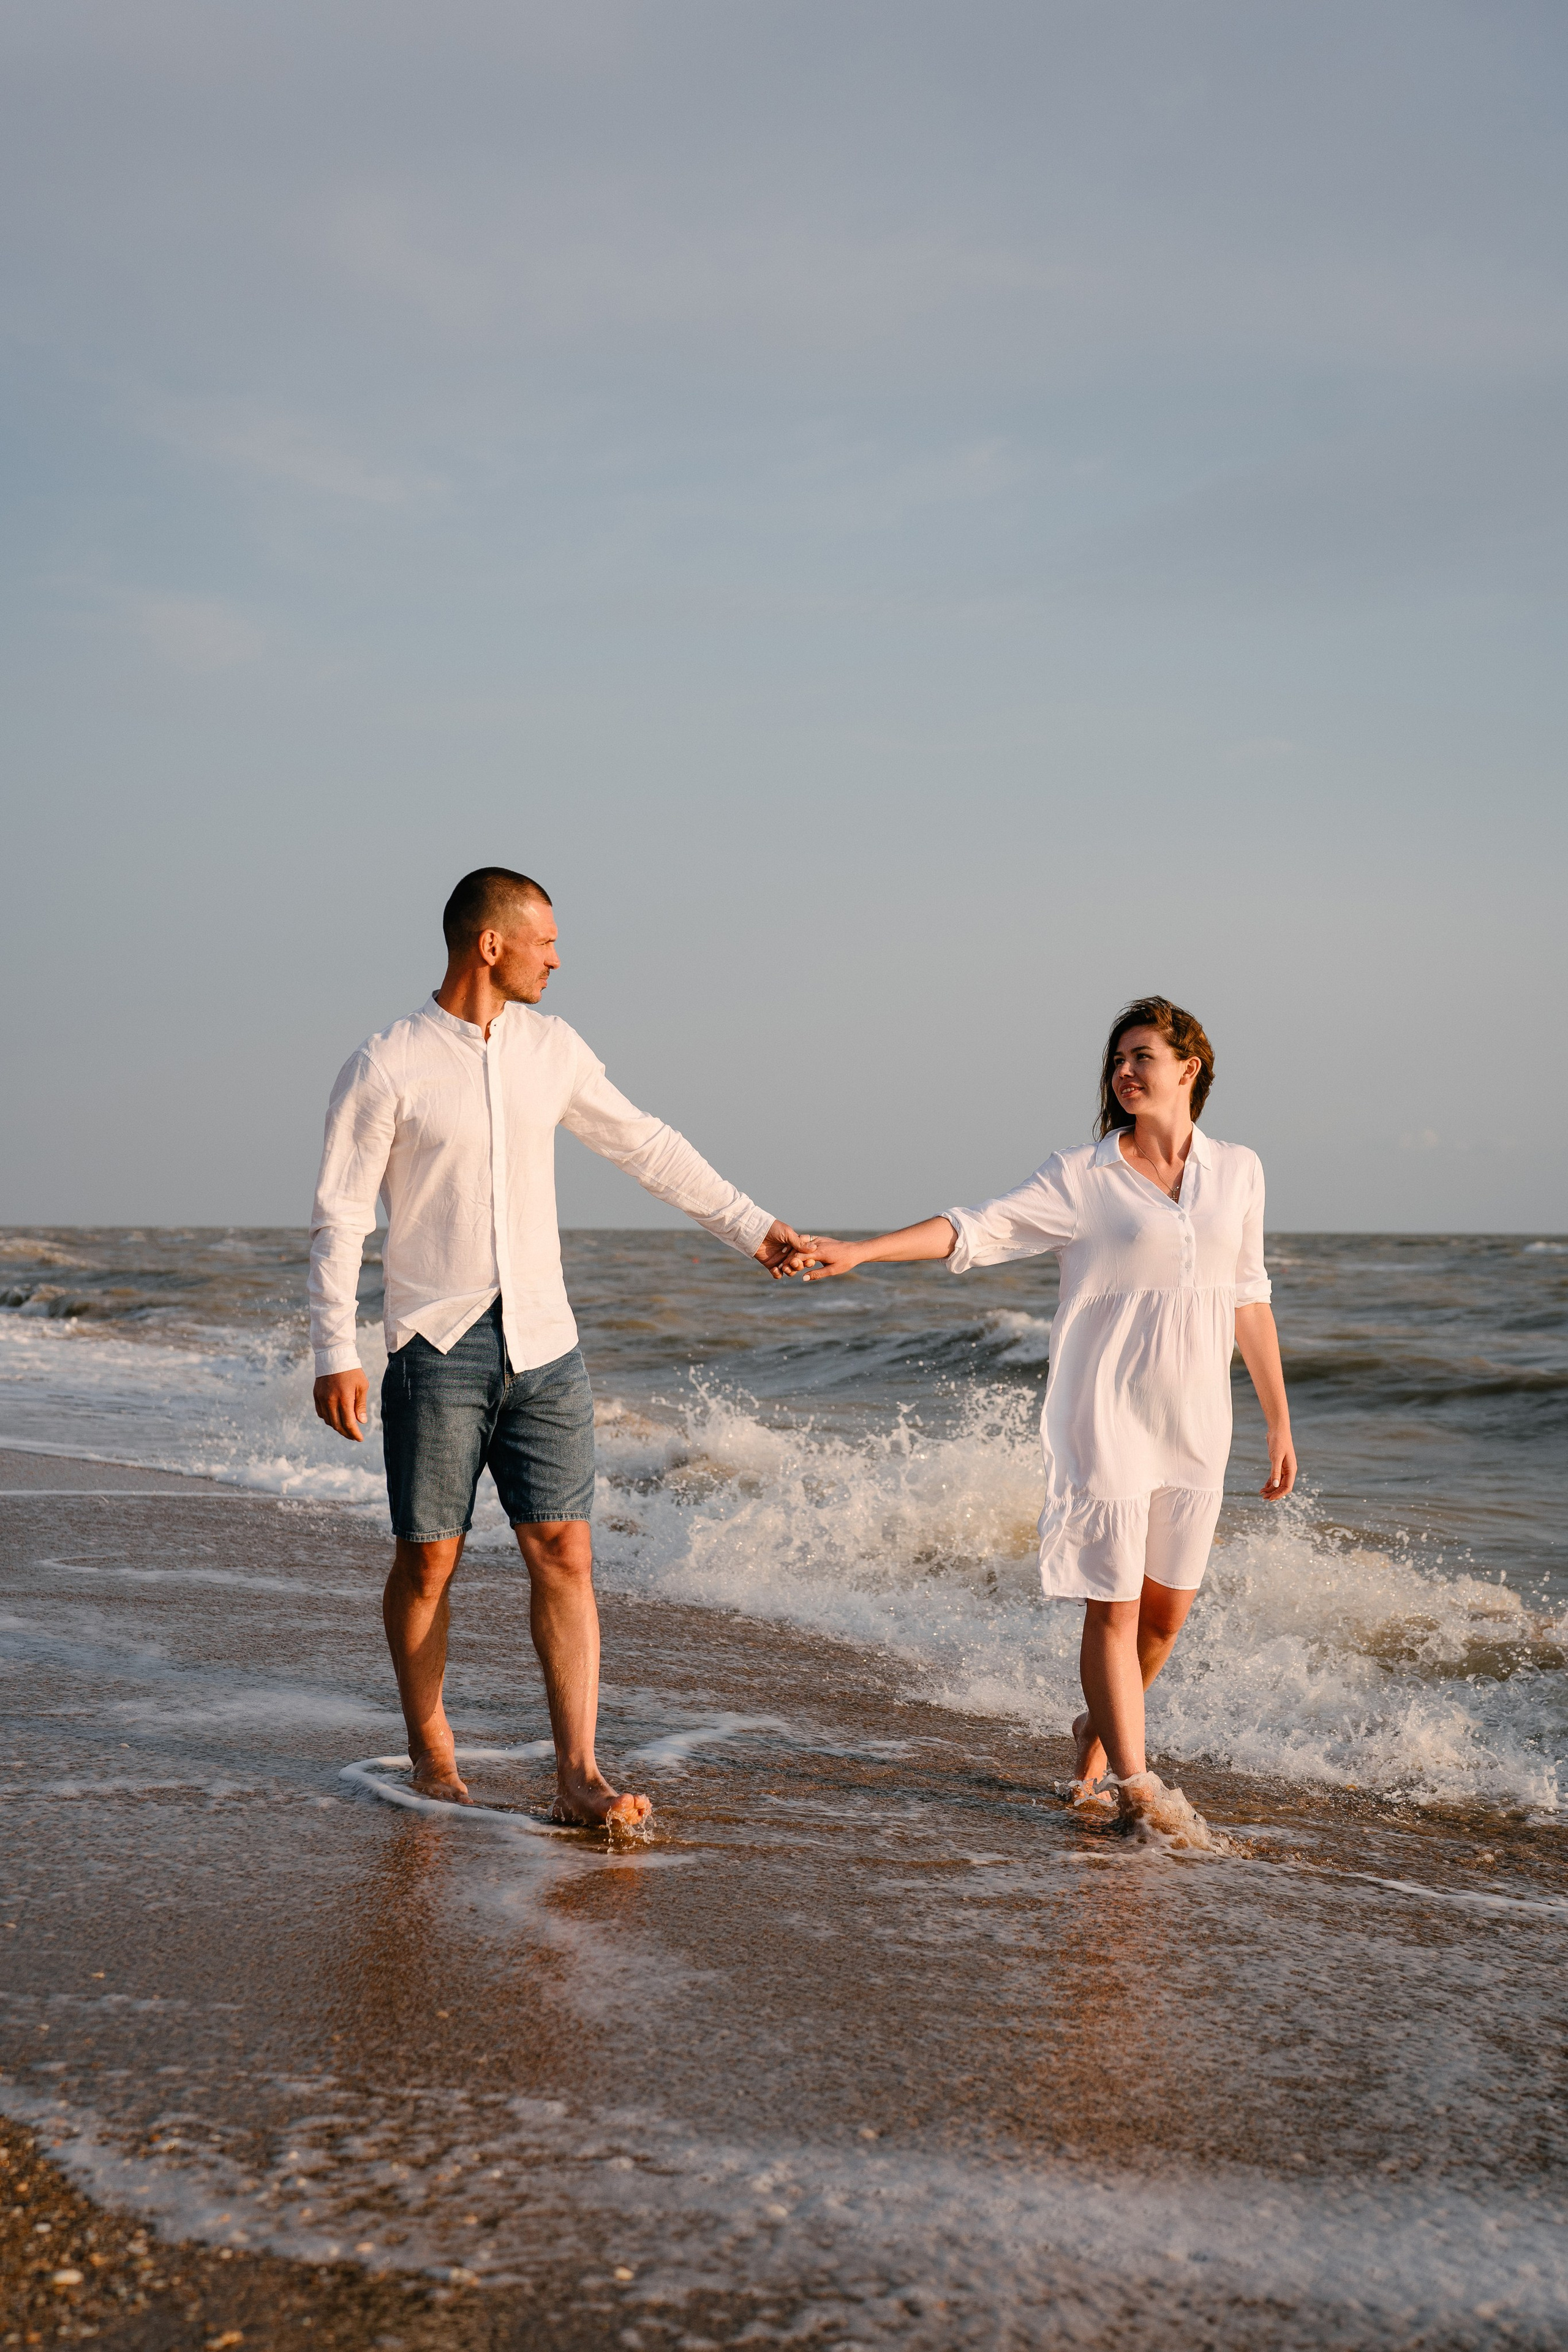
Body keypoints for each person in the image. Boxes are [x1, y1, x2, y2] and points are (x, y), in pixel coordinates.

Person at [309, 866, 805, 1826]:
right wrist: (336, 1347)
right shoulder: (388, 1064)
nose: (558, 956)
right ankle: (431, 1748)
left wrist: (754, 1228)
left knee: (564, 1552)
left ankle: (580, 1775)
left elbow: (646, 1145)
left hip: (547, 1342)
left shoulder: (554, 1049)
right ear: (490, 944)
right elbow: (339, 1217)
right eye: (545, 938)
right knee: (428, 1562)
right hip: (435, 1343)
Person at [786, 997, 1296, 1829]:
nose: (1124, 1072)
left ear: (1188, 1069)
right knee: (1115, 1605)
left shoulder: (1239, 1170)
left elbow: (1249, 1296)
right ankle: (1136, 1785)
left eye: (1142, 1057)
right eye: (1117, 1060)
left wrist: (1279, 1420)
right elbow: (973, 1229)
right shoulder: (1082, 1178)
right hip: (1107, 1419)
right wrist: (863, 1250)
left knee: (1165, 1618)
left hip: (1199, 1423)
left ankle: (1096, 1726)